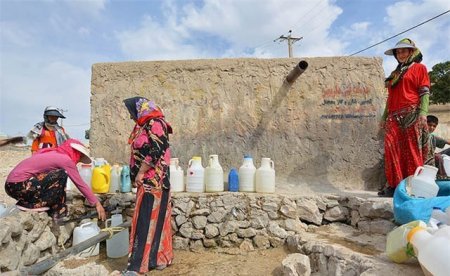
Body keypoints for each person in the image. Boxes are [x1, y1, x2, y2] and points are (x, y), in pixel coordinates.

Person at [123, 97, 173, 274]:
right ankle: (155, 260)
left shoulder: (156, 123)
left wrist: (141, 172)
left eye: (131, 112)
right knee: (152, 220)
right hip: (151, 182)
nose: (130, 116)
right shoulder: (145, 125)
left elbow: (156, 150)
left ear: (140, 109)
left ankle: (137, 266)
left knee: (146, 221)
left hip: (153, 181)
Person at [378, 38, 431, 197]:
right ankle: (395, 186)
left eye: (403, 51)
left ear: (411, 52)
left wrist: (423, 112)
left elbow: (424, 92)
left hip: (412, 113)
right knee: (391, 150)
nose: (400, 54)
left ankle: (414, 187)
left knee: (412, 151)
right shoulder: (395, 74)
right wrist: (384, 117)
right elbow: (390, 98)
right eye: (398, 52)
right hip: (393, 117)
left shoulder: (419, 68)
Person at [5, 138, 106, 220]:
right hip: (20, 186)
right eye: (79, 157)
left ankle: (31, 203)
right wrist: (96, 203)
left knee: (56, 177)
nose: (78, 160)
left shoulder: (53, 154)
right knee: (61, 174)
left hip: (11, 187)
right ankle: (49, 208)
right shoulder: (65, 160)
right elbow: (79, 183)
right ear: (76, 153)